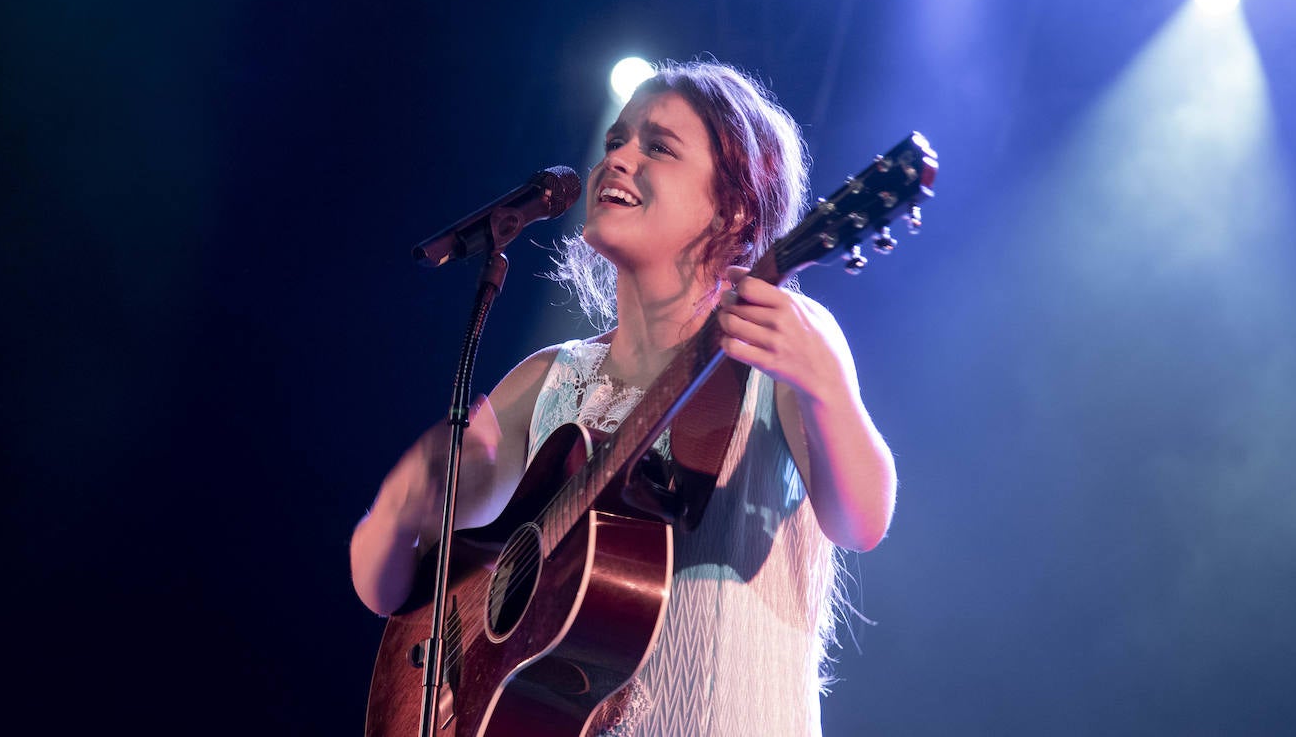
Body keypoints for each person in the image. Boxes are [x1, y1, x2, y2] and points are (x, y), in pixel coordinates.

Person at [350, 60, 897, 737]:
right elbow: (387, 590)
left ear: (734, 204)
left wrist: (828, 391)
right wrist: (399, 509)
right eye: (615, 141)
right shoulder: (549, 379)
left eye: (658, 147)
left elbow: (862, 519)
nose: (619, 158)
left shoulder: (777, 338)